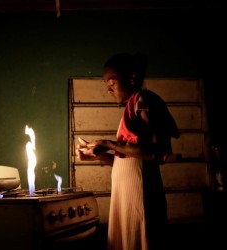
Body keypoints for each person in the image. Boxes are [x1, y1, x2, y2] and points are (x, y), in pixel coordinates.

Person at [76, 53, 180, 250]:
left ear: (131, 78)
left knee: (140, 240)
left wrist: (108, 143)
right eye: (107, 85)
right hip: (125, 196)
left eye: (112, 83)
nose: (109, 90)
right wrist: (98, 154)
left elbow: (153, 153)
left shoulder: (144, 100)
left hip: (141, 194)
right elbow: (126, 161)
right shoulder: (130, 110)